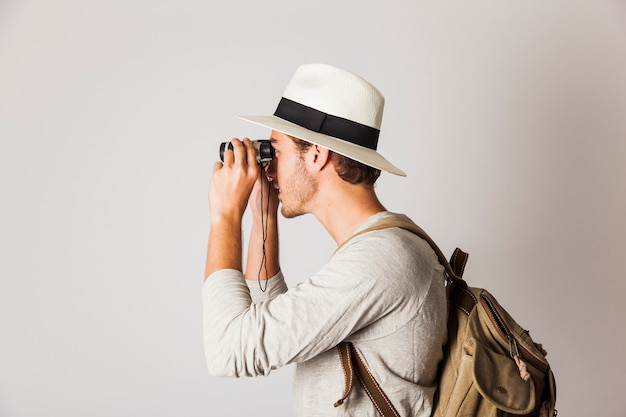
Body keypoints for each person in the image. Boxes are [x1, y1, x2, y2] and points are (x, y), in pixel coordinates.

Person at [203, 63, 447, 417]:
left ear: (317, 154)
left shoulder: (381, 259)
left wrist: (224, 216)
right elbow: (261, 319)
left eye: (276, 151)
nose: (267, 167)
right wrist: (263, 218)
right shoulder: (378, 249)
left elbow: (230, 349)